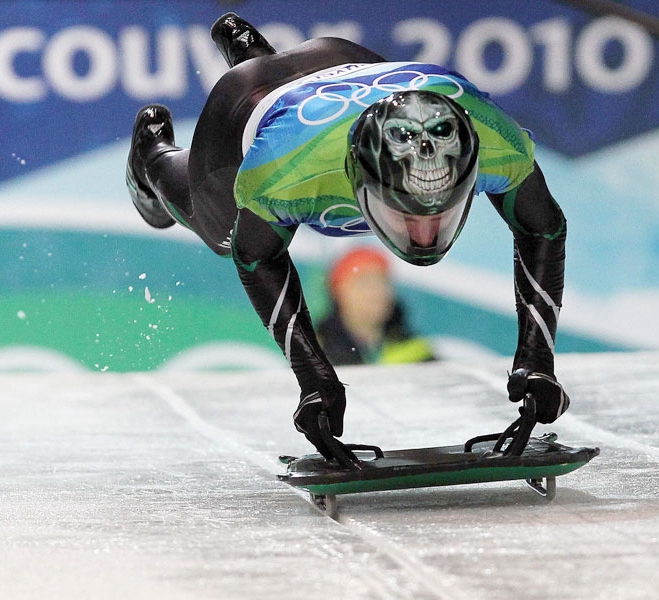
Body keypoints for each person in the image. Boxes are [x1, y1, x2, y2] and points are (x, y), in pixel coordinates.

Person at [126, 12, 570, 458]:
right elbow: (255, 258)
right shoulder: (286, 170)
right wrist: (313, 374)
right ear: (359, 182)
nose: (425, 233)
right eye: (406, 213)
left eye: (444, 209)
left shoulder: (494, 140)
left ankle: (257, 54)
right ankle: (152, 155)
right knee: (222, 235)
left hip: (342, 61)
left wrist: (538, 359)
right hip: (252, 97)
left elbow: (545, 228)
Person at [317, 246, 435, 365]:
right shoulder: (315, 350)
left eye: (382, 281)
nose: (377, 291)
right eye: (363, 283)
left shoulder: (416, 349)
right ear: (339, 292)